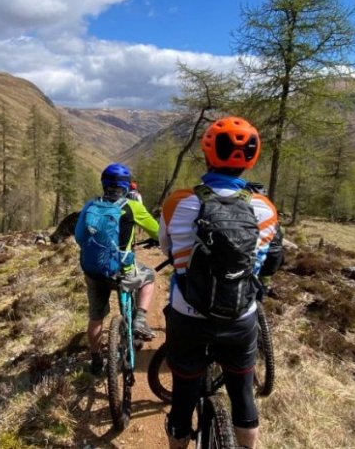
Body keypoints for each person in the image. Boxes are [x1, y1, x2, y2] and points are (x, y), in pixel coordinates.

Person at [160, 116, 281, 449]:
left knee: (183, 395)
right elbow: (268, 259)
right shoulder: (266, 209)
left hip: (189, 315)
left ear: (208, 152)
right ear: (251, 159)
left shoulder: (178, 203)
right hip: (240, 317)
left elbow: (168, 250)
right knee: (242, 395)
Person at [74, 163, 160, 376]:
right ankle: (139, 319)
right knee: (149, 276)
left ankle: (95, 362)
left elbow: (78, 237)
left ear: (103, 184)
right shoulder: (133, 207)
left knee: (96, 317)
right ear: (126, 186)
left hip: (93, 270)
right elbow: (159, 233)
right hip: (122, 270)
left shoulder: (90, 205)